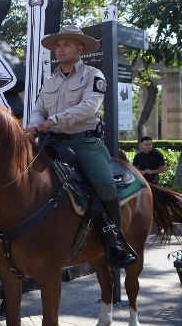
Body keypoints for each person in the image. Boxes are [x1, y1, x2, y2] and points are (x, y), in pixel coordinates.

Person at [27, 25, 136, 266]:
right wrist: (34, 125)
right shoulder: (49, 82)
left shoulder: (93, 75)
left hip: (84, 143)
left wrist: (52, 120)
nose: (60, 48)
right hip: (52, 142)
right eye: (58, 45)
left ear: (80, 48)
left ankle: (114, 241)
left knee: (104, 184)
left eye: (66, 44)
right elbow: (38, 110)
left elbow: (89, 107)